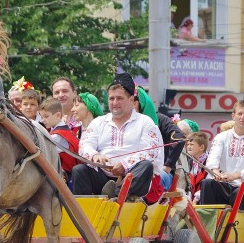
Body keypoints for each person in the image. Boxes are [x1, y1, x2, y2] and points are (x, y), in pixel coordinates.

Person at [72, 72, 163, 200]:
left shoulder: (145, 122)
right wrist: (94, 155)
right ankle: (84, 213)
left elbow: (150, 152)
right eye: (111, 98)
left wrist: (124, 165)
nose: (114, 103)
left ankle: (115, 195)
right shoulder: (99, 122)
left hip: (131, 178)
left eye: (119, 98)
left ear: (131, 100)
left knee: (146, 166)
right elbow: (84, 145)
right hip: (103, 176)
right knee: (79, 170)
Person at [199, 100, 244, 222]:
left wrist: (232, 177)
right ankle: (207, 225)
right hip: (224, 185)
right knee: (206, 184)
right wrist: (216, 173)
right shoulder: (221, 137)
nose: (242, 117)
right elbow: (212, 159)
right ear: (233, 116)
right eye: (239, 113)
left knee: (239, 194)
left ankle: (226, 226)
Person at [40, 96, 80, 183]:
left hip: (69, 178)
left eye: (46, 116)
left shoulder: (58, 136)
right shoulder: (61, 131)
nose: (42, 120)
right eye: (41, 117)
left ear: (58, 115)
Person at [187, 132, 208, 204]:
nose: (188, 147)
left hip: (204, 199)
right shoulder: (188, 162)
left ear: (201, 147)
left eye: (191, 144)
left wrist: (196, 199)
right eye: (188, 144)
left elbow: (208, 185)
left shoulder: (210, 162)